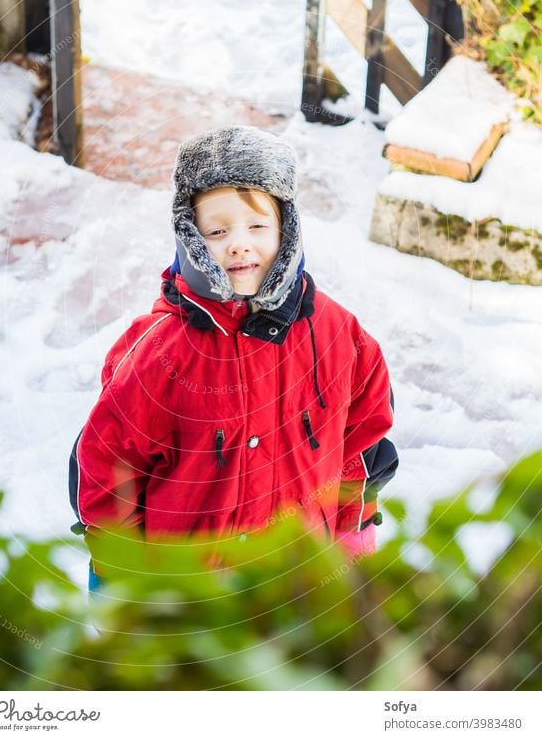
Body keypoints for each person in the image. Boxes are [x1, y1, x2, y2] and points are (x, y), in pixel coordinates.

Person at [69, 125, 398, 589]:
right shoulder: (158, 353)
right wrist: (121, 577)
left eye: (257, 226)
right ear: (191, 236)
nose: (239, 244)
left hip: (300, 582)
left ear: (286, 228)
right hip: (190, 597)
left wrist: (352, 531)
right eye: (218, 230)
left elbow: (361, 443)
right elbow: (110, 466)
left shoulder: (339, 335)